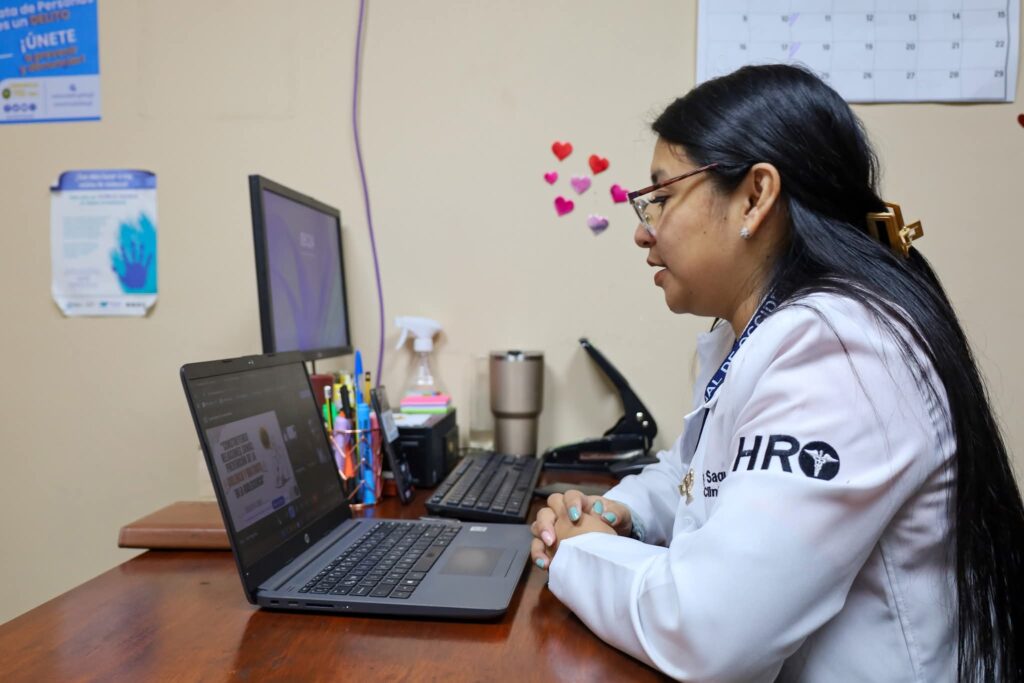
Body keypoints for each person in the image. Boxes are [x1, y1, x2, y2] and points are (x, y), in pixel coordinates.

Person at [530, 64, 1024, 682]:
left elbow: (711, 631)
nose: (642, 230)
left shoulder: (843, 352)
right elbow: (697, 473)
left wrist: (578, 551)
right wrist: (618, 511)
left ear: (755, 196)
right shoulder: (763, 332)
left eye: (661, 198)